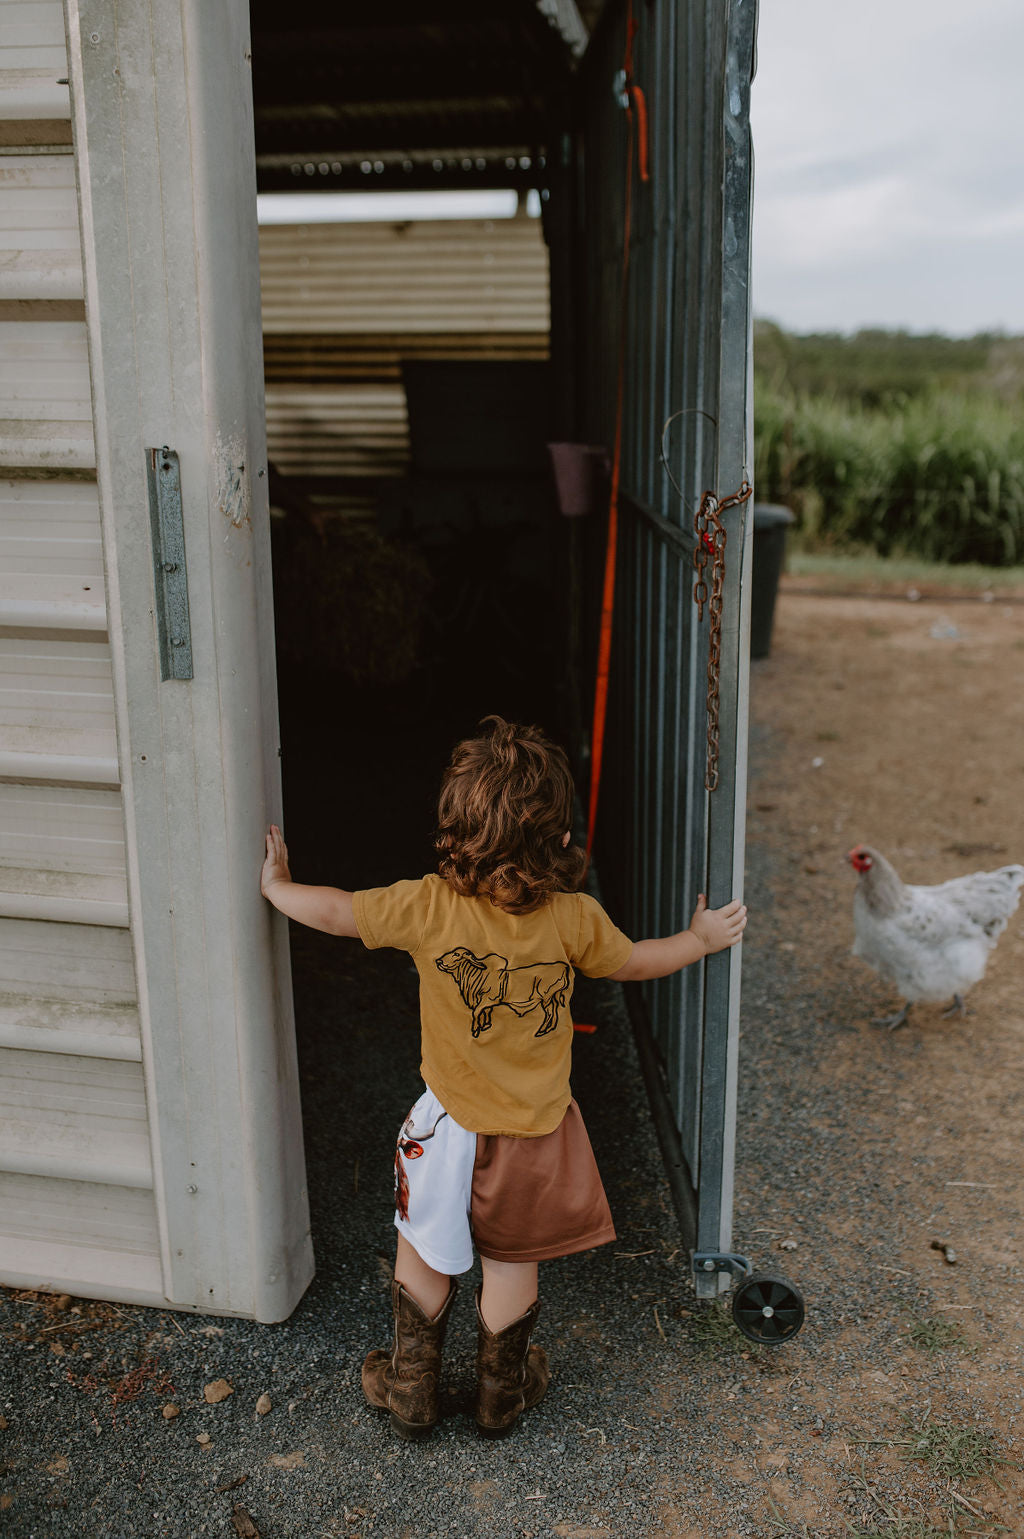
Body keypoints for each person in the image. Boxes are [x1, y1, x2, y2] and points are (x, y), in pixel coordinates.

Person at [260, 716, 746, 1441]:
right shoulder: (574, 918)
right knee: (512, 1266)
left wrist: (279, 886)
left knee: (422, 1252)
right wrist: (699, 939)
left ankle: (411, 1388)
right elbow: (636, 961)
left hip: (445, 1124)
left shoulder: (428, 905)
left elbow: (338, 912)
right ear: (558, 842)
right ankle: (501, 1396)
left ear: (452, 834)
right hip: (538, 1135)